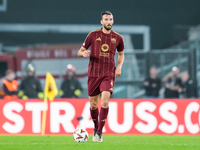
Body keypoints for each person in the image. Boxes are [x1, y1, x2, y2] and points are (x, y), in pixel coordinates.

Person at [78, 11, 124, 142]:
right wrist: (84, 53)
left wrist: (119, 66)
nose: (109, 22)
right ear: (101, 22)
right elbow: (79, 51)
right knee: (93, 105)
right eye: (106, 19)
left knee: (104, 101)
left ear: (113, 21)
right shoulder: (93, 35)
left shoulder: (118, 38)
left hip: (108, 74)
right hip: (93, 74)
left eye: (110, 19)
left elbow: (121, 54)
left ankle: (99, 132)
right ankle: (95, 127)